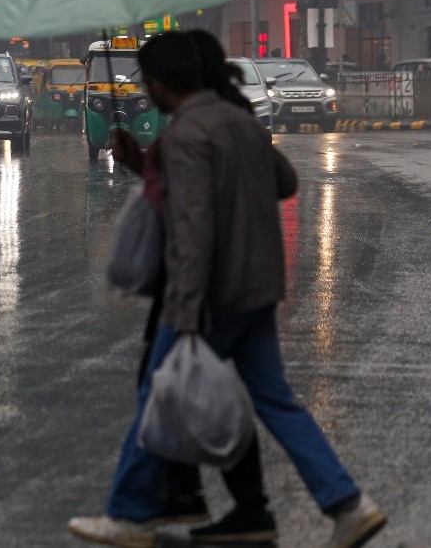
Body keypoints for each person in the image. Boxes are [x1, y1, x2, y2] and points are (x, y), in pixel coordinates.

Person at [69, 32, 386, 548]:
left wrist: (187, 310)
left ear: (162, 82)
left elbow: (192, 226)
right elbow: (283, 181)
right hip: (258, 286)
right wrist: (139, 161)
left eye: (147, 80)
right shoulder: (238, 120)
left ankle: (129, 515)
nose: (145, 91)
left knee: (159, 392)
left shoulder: (190, 134)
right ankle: (349, 505)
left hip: (212, 294)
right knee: (276, 401)